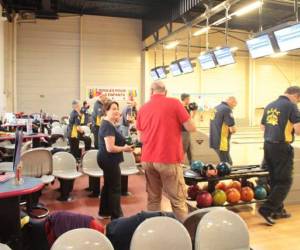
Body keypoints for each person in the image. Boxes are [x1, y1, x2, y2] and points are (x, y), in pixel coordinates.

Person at [136, 81, 196, 222]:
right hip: (167, 159)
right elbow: (191, 128)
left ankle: (154, 230)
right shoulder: (175, 103)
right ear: (166, 91)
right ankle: (187, 236)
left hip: (148, 159)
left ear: (151, 91)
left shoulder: (143, 108)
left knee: (153, 199)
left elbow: (140, 136)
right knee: (178, 201)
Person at [258, 86, 300, 226]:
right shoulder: (291, 106)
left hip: (268, 146)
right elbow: (298, 130)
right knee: (285, 181)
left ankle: (278, 210)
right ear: (296, 95)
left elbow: (262, 126)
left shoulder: (270, 104)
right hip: (282, 147)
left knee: (275, 179)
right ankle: (267, 209)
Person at [97, 101, 133, 219]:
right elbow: (110, 148)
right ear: (106, 111)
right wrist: (125, 148)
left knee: (108, 186)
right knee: (115, 188)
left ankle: (104, 212)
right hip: (109, 160)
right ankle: (117, 217)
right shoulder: (107, 125)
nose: (116, 111)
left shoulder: (110, 124)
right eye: (113, 109)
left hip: (107, 159)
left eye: (117, 108)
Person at [209, 97, 237, 165]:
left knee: (220, 162)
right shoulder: (227, 109)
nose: (234, 107)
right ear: (231, 102)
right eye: (234, 105)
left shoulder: (215, 108)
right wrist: (234, 130)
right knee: (227, 164)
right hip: (222, 142)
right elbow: (232, 128)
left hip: (214, 140)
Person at [181, 93, 196, 165]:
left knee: (190, 149)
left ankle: (192, 164)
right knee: (183, 149)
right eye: (188, 99)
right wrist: (194, 113)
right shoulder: (183, 108)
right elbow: (189, 120)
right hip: (183, 132)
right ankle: (179, 164)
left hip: (186, 131)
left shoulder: (186, 108)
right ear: (185, 99)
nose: (189, 100)